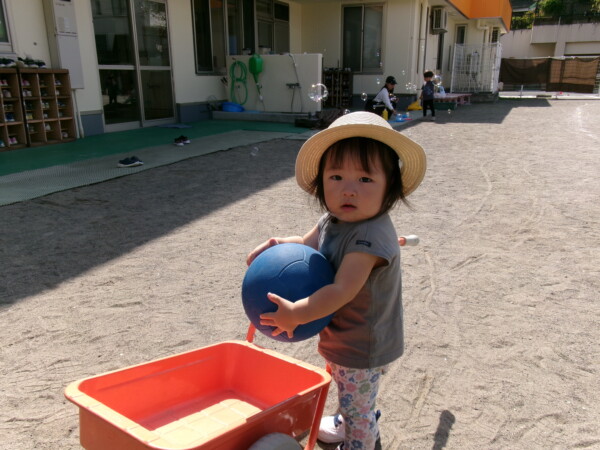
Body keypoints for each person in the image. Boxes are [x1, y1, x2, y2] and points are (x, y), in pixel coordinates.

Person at [246, 112, 427, 450]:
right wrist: (277, 245)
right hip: (342, 333)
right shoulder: (333, 219)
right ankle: (350, 416)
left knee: (358, 408)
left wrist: (297, 313)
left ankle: (360, 438)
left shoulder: (369, 237)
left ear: (390, 187)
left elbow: (342, 290)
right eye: (337, 176)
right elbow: (305, 244)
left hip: (363, 343)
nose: (349, 189)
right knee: (349, 391)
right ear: (321, 182)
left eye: (365, 179)